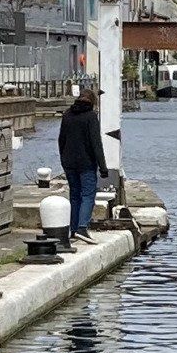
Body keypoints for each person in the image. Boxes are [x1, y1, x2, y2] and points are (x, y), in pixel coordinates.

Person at [57, 84, 105, 240]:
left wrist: (63, 159)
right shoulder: (91, 117)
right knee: (88, 194)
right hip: (86, 163)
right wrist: (103, 167)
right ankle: (82, 227)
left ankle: (73, 228)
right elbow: (96, 144)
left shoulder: (67, 115)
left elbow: (61, 140)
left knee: (75, 195)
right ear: (92, 102)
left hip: (69, 162)